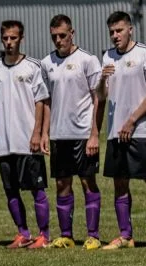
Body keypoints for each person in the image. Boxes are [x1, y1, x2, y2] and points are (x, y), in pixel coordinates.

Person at [97, 12, 146, 251]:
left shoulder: (145, 54)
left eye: (119, 30)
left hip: (141, 130)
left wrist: (132, 120)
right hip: (115, 132)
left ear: (130, 29)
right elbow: (101, 96)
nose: (115, 36)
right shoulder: (107, 57)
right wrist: (101, 80)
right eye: (111, 32)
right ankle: (125, 236)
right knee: (120, 184)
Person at [0, 20, 51, 249]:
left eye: (13, 38)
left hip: (27, 142)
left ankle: (44, 235)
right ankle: (23, 233)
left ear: (21, 38)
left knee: (36, 189)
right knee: (10, 190)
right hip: (5, 142)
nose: (9, 43)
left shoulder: (32, 66)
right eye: (5, 38)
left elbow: (41, 102)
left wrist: (37, 133)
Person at [40, 14, 103, 250]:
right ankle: (66, 235)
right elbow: (46, 101)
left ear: (72, 33)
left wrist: (94, 133)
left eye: (62, 36)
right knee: (61, 184)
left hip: (83, 135)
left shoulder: (87, 60)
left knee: (88, 182)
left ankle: (93, 235)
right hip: (59, 135)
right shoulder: (46, 63)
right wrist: (45, 133)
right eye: (54, 36)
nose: (58, 40)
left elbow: (98, 98)